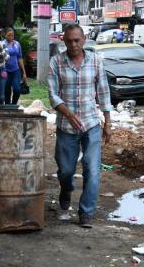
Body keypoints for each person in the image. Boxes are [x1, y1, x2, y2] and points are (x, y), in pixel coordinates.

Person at [47, 23, 112, 228]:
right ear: (64, 41)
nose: (73, 44)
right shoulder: (56, 62)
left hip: (91, 124)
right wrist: (68, 113)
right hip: (66, 127)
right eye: (69, 41)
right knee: (66, 171)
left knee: (92, 170)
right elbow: (53, 94)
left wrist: (107, 122)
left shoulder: (96, 61)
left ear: (84, 40)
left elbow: (103, 92)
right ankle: (66, 191)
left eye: (77, 40)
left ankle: (86, 212)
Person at [1, 28, 27, 105]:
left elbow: (20, 57)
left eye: (12, 35)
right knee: (7, 90)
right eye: (9, 35)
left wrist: (24, 72)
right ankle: (7, 107)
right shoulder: (2, 44)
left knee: (17, 89)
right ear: (5, 35)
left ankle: (14, 105)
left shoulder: (17, 44)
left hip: (16, 70)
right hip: (5, 70)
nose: (11, 36)